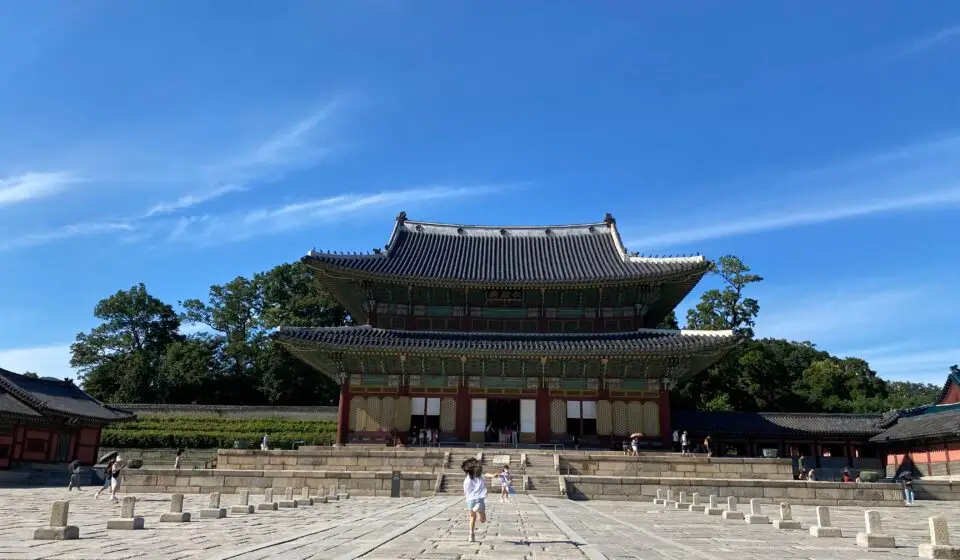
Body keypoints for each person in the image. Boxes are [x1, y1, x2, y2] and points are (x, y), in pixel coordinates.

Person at [462, 458, 487, 542]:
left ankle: (471, 535)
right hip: (479, 499)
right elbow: (484, 482)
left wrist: (467, 498)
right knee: (483, 520)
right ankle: (480, 513)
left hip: (470, 500)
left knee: (472, 516)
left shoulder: (467, 479)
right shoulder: (480, 478)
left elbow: (465, 491)